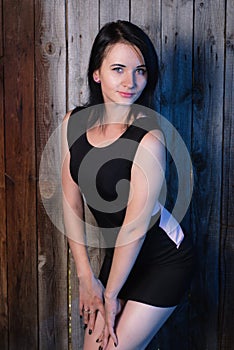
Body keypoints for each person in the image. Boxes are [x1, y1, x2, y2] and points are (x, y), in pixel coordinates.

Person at [62, 20, 194, 350]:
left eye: (140, 71)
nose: (130, 82)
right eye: (118, 69)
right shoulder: (73, 124)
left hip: (162, 259)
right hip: (119, 257)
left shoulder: (149, 140)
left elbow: (134, 231)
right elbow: (70, 202)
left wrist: (109, 294)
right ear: (97, 73)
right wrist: (85, 278)